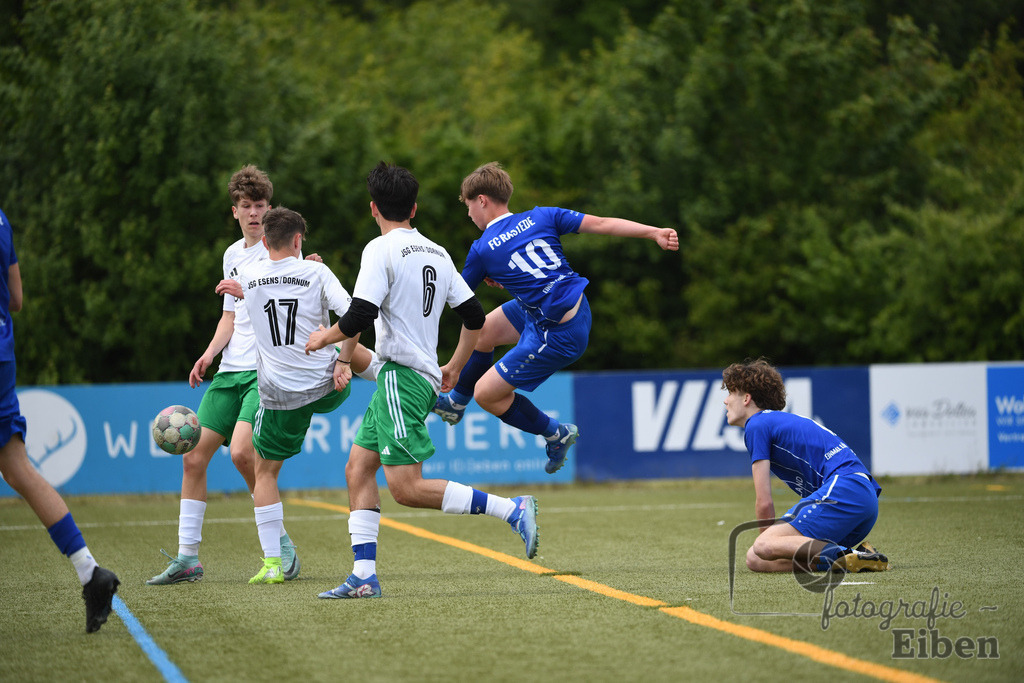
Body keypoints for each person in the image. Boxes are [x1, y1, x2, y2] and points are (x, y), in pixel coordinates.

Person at [305, 162, 539, 599]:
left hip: (402, 379)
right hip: (415, 375)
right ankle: (363, 576)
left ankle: (512, 509)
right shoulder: (437, 251)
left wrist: (326, 339)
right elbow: (472, 316)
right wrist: (453, 365)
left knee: (406, 489)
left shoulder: (381, 249)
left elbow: (359, 315)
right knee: (357, 469)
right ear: (414, 208)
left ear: (373, 208)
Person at [147, 165, 378, 585]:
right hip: (230, 369)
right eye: (246, 206)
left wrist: (307, 268)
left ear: (270, 210)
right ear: (234, 211)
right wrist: (208, 353)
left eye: (260, 206)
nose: (254, 213)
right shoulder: (233, 255)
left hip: (263, 372)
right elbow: (229, 319)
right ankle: (188, 557)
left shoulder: (285, 253)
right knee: (195, 456)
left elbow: (309, 295)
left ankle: (278, 546)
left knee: (241, 453)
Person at [432, 162, 679, 475]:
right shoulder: (542, 215)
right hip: (566, 308)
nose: (469, 215)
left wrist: (449, 361)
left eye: (468, 206)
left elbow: (457, 299)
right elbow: (601, 224)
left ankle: (555, 433)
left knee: (488, 395)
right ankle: (455, 404)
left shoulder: (481, 250)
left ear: (482, 200)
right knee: (484, 334)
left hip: (558, 334)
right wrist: (653, 231)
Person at [238, 206, 378, 584]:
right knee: (334, 337)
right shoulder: (316, 271)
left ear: (264, 241)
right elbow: (357, 318)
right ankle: (389, 374)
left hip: (282, 396)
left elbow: (253, 287)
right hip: (327, 387)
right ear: (299, 241)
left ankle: (272, 563)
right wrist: (344, 362)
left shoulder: (247, 275)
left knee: (263, 470)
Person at [0, 207, 120, 632]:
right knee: (18, 469)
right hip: (2, 354)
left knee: (18, 469)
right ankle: (89, 571)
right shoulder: (1, 219)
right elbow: (15, 299)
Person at [721, 358, 890, 573]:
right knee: (755, 561)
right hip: (863, 501)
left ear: (746, 398)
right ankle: (853, 557)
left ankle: (845, 554)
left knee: (762, 547)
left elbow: (764, 501)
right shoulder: (776, 421)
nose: (726, 401)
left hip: (846, 489)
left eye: (731, 393)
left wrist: (766, 544)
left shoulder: (757, 424)